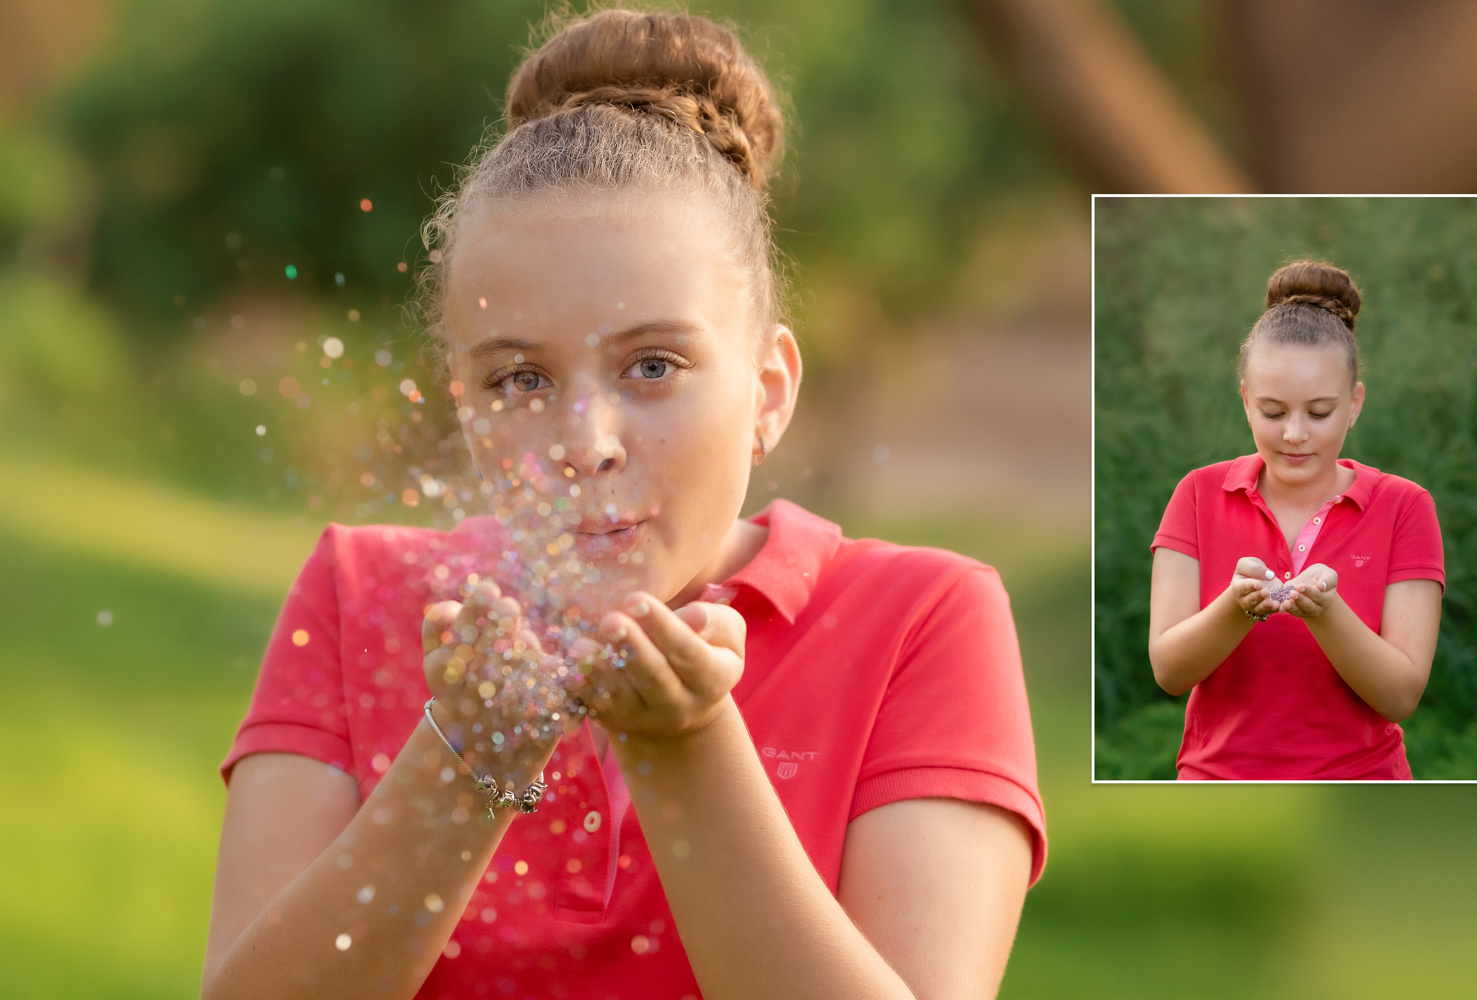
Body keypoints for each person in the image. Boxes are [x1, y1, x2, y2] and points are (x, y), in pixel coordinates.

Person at [200, 10, 1043, 1000]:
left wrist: (686, 746)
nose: (584, 444)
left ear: (767, 391)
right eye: (518, 379)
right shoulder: (359, 595)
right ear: (463, 405)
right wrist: (470, 754)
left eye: (651, 365)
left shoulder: (918, 620)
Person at [1147, 261, 1446, 780]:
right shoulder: (1197, 494)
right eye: (1273, 411)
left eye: (1320, 412)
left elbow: (1400, 693)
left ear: (1354, 405)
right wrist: (1236, 608)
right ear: (1245, 401)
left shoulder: (1405, 505)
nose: (1294, 434)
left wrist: (1326, 613)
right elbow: (1170, 670)